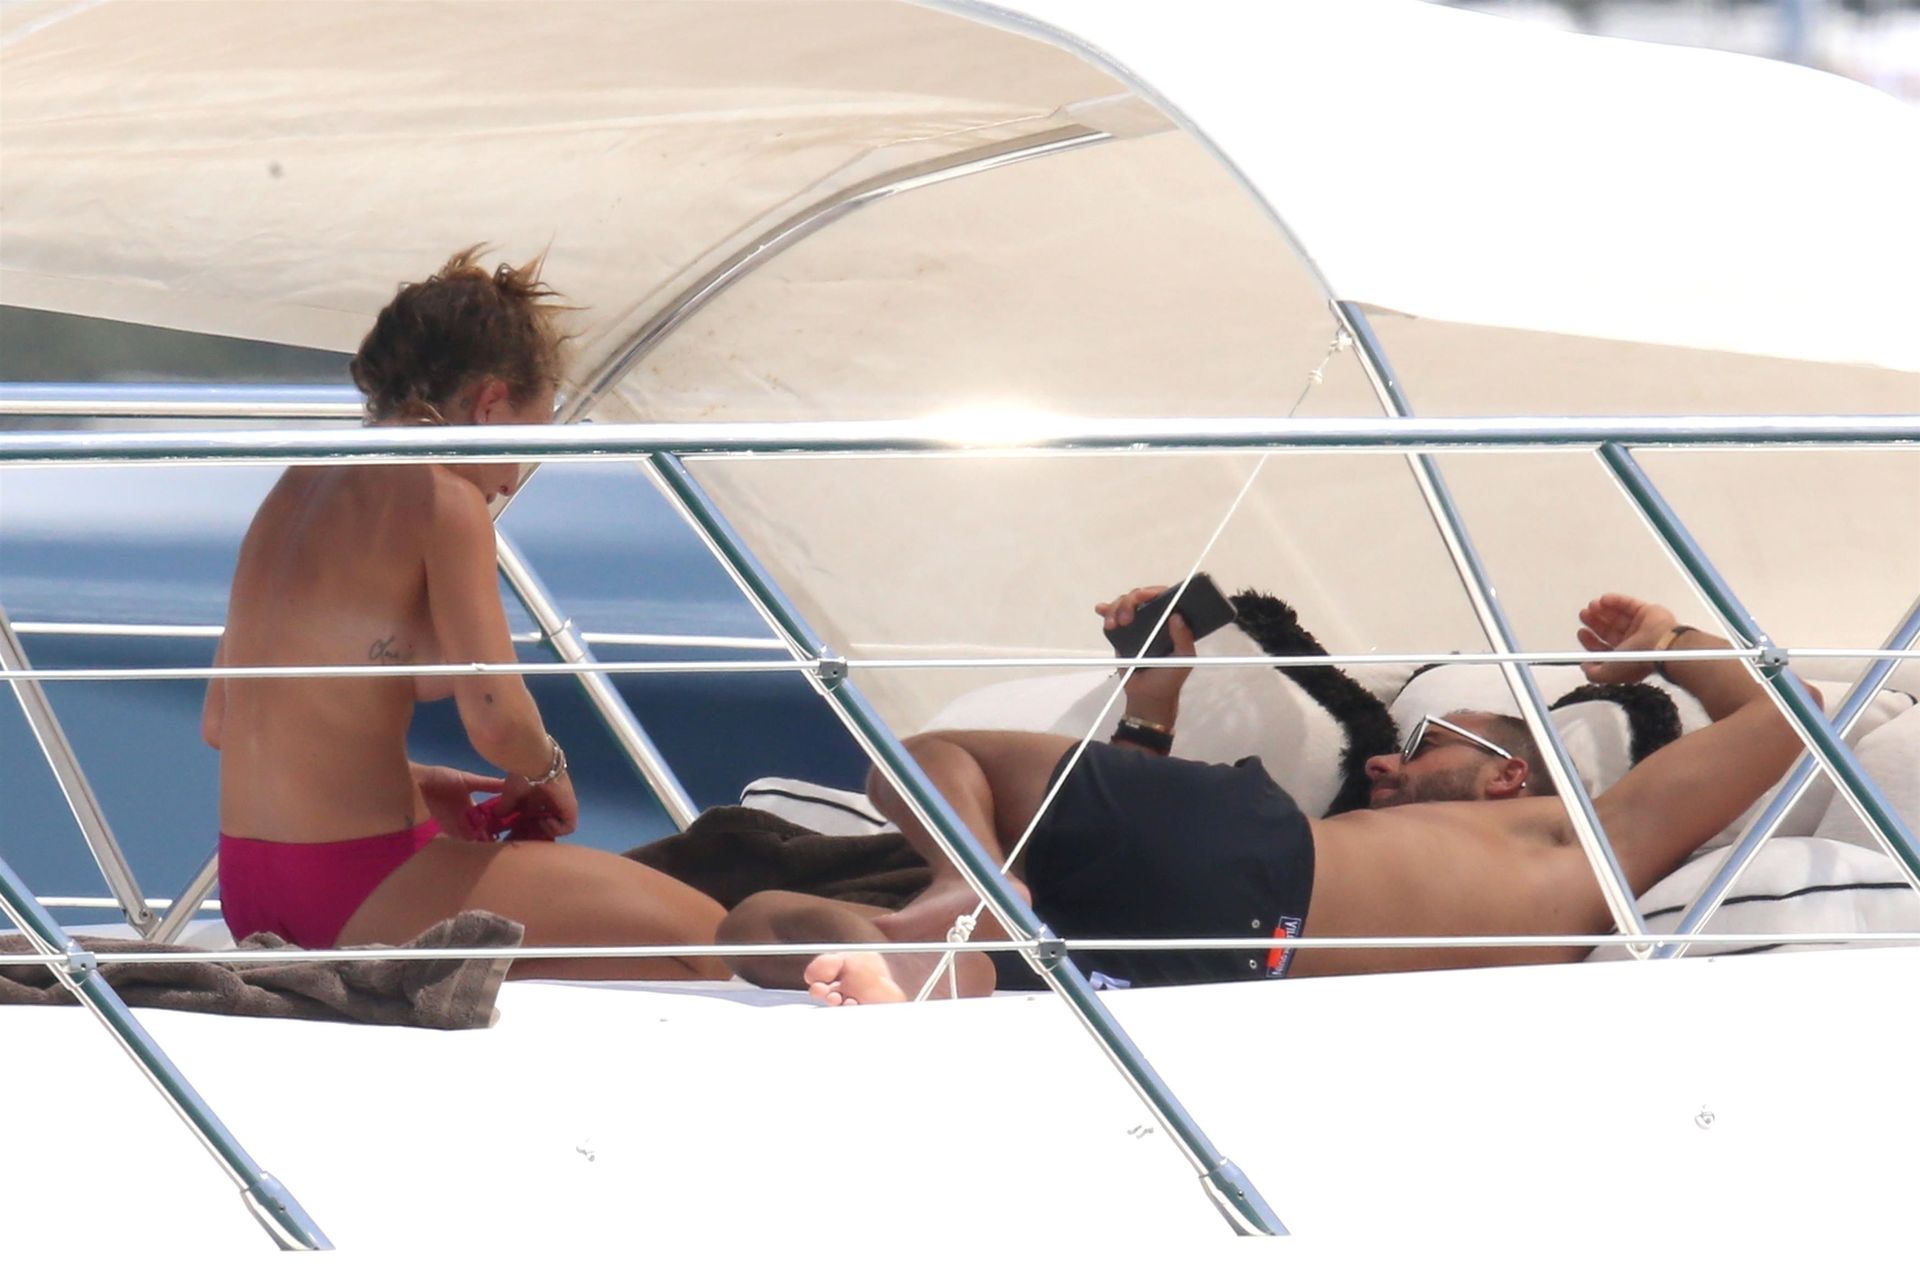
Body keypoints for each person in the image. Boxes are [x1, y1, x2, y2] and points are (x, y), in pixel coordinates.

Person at [717, 588, 1816, 1003]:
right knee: (754, 922)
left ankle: (963, 890)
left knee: (932, 752)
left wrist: (1674, 643)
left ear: (1510, 774)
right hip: (1205, 968)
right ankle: (902, 952)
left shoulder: (1596, 835)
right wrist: (1152, 705)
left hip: (1250, 871)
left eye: (1421, 744)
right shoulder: (1519, 879)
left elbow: (1793, 719)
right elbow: (1147, 852)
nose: (1381, 764)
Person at [204, 247, 726, 979]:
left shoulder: (296, 485)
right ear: (490, 404)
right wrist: (547, 770)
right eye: (527, 442)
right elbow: (497, 721)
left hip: (251, 892)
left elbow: (223, 721)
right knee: (715, 942)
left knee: (601, 950)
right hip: (357, 887)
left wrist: (410, 780)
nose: (511, 478)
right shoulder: (442, 495)